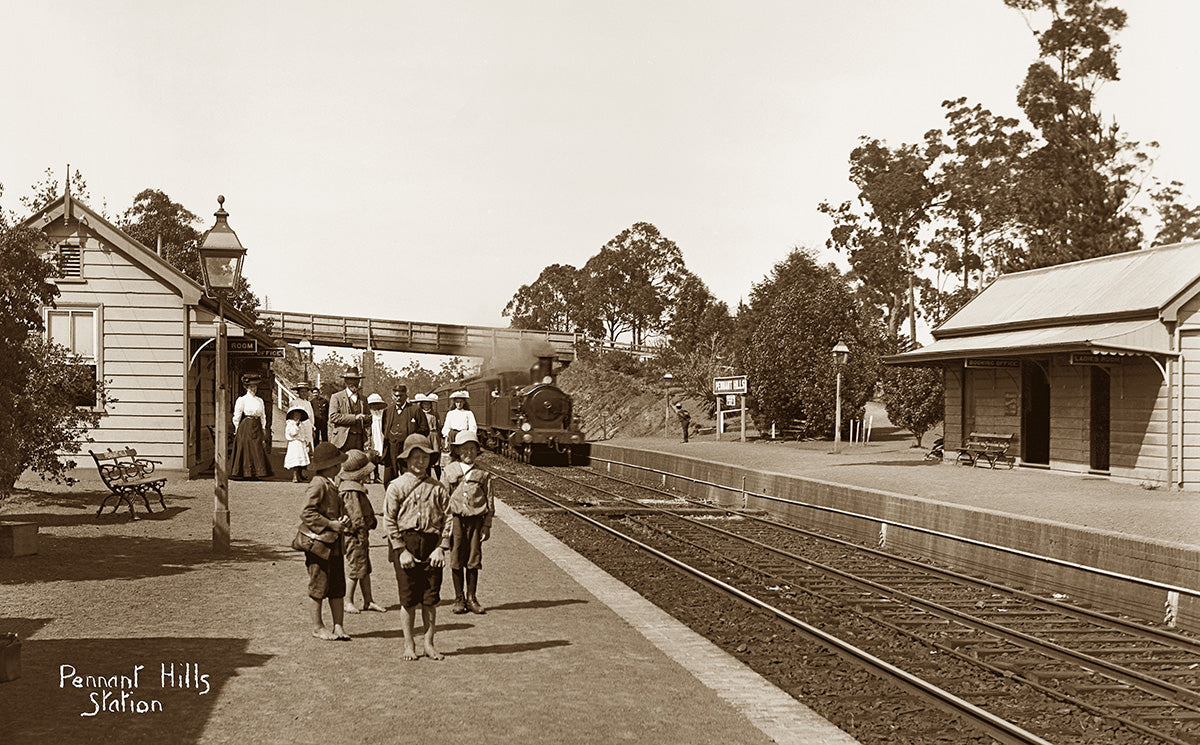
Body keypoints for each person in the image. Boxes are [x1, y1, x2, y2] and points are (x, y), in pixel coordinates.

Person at [383, 434, 451, 661]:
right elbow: (389, 520)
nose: (420, 462)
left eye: (424, 457)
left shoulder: (438, 488)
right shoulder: (396, 487)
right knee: (409, 599)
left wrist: (441, 547)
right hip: (406, 544)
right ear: (406, 460)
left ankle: (429, 644)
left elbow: (448, 518)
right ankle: (409, 644)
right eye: (415, 457)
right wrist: (401, 550)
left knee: (430, 599)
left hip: (432, 546)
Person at [300, 442, 351, 641]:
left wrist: (342, 520)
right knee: (318, 585)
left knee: (337, 586)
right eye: (337, 463)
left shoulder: (330, 483)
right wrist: (330, 524)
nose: (339, 466)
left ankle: (338, 626)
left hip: (333, 544)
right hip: (319, 546)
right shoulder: (318, 484)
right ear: (329, 466)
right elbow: (306, 512)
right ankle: (318, 626)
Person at [444, 431, 494, 615]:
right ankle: (459, 598)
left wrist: (486, 525)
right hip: (456, 520)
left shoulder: (483, 473)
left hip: (476, 521)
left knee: (474, 559)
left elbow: (489, 500)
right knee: (456, 558)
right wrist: (446, 527)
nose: (468, 452)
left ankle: (472, 598)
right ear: (457, 451)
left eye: (472, 449)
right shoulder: (449, 471)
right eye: (464, 449)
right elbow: (443, 500)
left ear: (477, 451)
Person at [339, 449, 387, 614]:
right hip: (355, 535)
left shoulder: (353, 488)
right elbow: (355, 516)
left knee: (364, 568)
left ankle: (368, 600)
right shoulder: (351, 491)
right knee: (356, 568)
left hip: (360, 534)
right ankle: (348, 601)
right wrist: (362, 529)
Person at [382, 384, 429, 484]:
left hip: (408, 450)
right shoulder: (388, 411)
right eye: (396, 395)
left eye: (400, 395)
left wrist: (411, 438)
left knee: (409, 478)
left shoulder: (415, 410)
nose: (398, 398)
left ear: (406, 396)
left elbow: (425, 429)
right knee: (389, 479)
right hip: (391, 449)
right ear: (392, 396)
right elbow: (384, 429)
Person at [231, 373, 273, 480]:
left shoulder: (260, 400)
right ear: (246, 388)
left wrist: (263, 427)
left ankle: (257, 472)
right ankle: (246, 473)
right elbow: (237, 415)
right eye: (251, 387)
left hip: (257, 425)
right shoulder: (242, 399)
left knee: (257, 448)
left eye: (255, 387)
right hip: (247, 425)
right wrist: (237, 429)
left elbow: (263, 415)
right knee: (247, 448)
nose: (254, 389)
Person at [328, 366, 370, 453]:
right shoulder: (337, 397)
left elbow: (368, 419)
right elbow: (333, 417)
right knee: (343, 461)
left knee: (358, 461)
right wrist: (354, 418)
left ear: (359, 381)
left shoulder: (363, 399)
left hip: (359, 440)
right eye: (350, 380)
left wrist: (367, 418)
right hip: (342, 440)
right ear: (346, 381)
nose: (353, 383)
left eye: (356, 380)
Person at [441, 391, 478, 459]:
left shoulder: (468, 413)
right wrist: (447, 434)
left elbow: (473, 427)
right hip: (453, 435)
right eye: (457, 402)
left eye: (461, 402)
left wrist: (470, 436)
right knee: (453, 454)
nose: (459, 404)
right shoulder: (450, 413)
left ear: (464, 402)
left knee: (463, 453)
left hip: (464, 435)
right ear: (454, 403)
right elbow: (446, 426)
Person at [284, 404, 313, 482]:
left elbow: (304, 433)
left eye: (299, 415)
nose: (297, 417)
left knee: (301, 461)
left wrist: (306, 441)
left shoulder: (302, 424)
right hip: (295, 443)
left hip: (301, 443)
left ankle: (299, 475)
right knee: (296, 461)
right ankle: (295, 476)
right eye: (296, 415)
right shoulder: (290, 424)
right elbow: (292, 433)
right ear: (292, 416)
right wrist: (296, 426)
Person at [367, 392, 387, 482]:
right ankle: (367, 475)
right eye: (373, 404)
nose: (375, 406)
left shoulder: (382, 413)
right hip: (372, 436)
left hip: (380, 435)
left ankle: (376, 476)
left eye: (377, 404)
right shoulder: (368, 414)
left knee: (378, 456)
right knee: (369, 455)